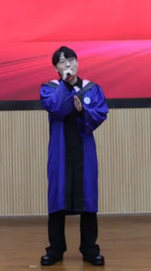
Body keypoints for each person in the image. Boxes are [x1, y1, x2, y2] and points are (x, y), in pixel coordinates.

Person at [39, 46, 108, 266]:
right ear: (56, 68)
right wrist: (66, 85)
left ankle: (90, 250)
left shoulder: (91, 89)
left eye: (71, 60)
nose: (68, 64)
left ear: (78, 62)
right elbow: (56, 108)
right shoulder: (49, 89)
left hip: (84, 153)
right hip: (60, 153)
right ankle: (55, 250)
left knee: (87, 200)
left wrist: (81, 110)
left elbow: (100, 113)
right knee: (57, 199)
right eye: (62, 62)